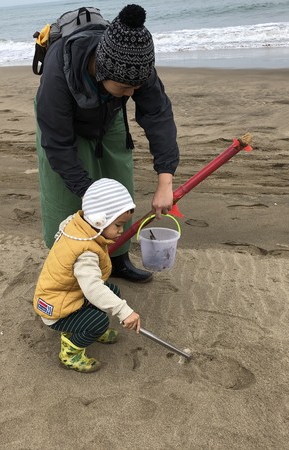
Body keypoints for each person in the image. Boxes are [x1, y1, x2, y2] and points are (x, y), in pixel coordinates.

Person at [35, 4, 180, 283]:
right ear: (101, 70)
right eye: (126, 88)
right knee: (67, 196)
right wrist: (92, 195)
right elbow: (58, 144)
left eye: (136, 88)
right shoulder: (57, 75)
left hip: (108, 113)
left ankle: (117, 258)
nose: (132, 93)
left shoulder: (137, 68)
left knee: (119, 188)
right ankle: (67, 265)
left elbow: (158, 116)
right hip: (62, 124)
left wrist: (166, 180)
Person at [33, 178, 141, 373]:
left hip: (66, 294)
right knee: (99, 321)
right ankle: (70, 353)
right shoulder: (86, 253)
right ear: (99, 220)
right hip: (56, 309)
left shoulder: (77, 225)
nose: (121, 231)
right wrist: (124, 311)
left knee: (112, 290)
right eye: (117, 225)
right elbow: (92, 288)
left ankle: (87, 327)